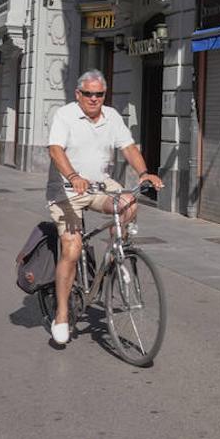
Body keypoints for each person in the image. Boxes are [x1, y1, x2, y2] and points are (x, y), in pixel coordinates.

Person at [45, 70, 163, 346]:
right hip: (67, 191)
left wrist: (144, 172)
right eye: (88, 94)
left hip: (99, 185)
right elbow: (55, 150)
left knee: (129, 201)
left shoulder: (112, 117)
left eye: (99, 94)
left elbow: (129, 147)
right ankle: (62, 314)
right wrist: (73, 176)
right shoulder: (65, 115)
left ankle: (116, 254)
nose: (94, 99)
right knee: (72, 250)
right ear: (78, 94)